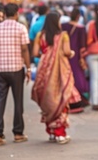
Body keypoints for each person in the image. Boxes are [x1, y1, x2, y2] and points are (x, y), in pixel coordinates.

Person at [32, 12, 76, 144]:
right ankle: (60, 134)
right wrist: (71, 53)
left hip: (44, 71)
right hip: (59, 71)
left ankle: (51, 132)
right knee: (60, 98)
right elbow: (67, 52)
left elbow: (35, 53)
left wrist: (47, 56)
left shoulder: (40, 35)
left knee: (48, 99)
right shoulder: (63, 36)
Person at [0, 3, 31, 146]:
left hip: (1, 69)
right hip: (16, 68)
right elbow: (25, 49)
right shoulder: (21, 28)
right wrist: (29, 67)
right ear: (17, 13)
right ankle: (18, 133)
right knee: (18, 101)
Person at [61, 8, 90, 109]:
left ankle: (67, 97)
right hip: (75, 55)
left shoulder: (63, 26)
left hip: (64, 54)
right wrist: (82, 58)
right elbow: (82, 46)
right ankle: (77, 97)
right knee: (77, 76)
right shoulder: (80, 28)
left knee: (66, 75)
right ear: (78, 16)